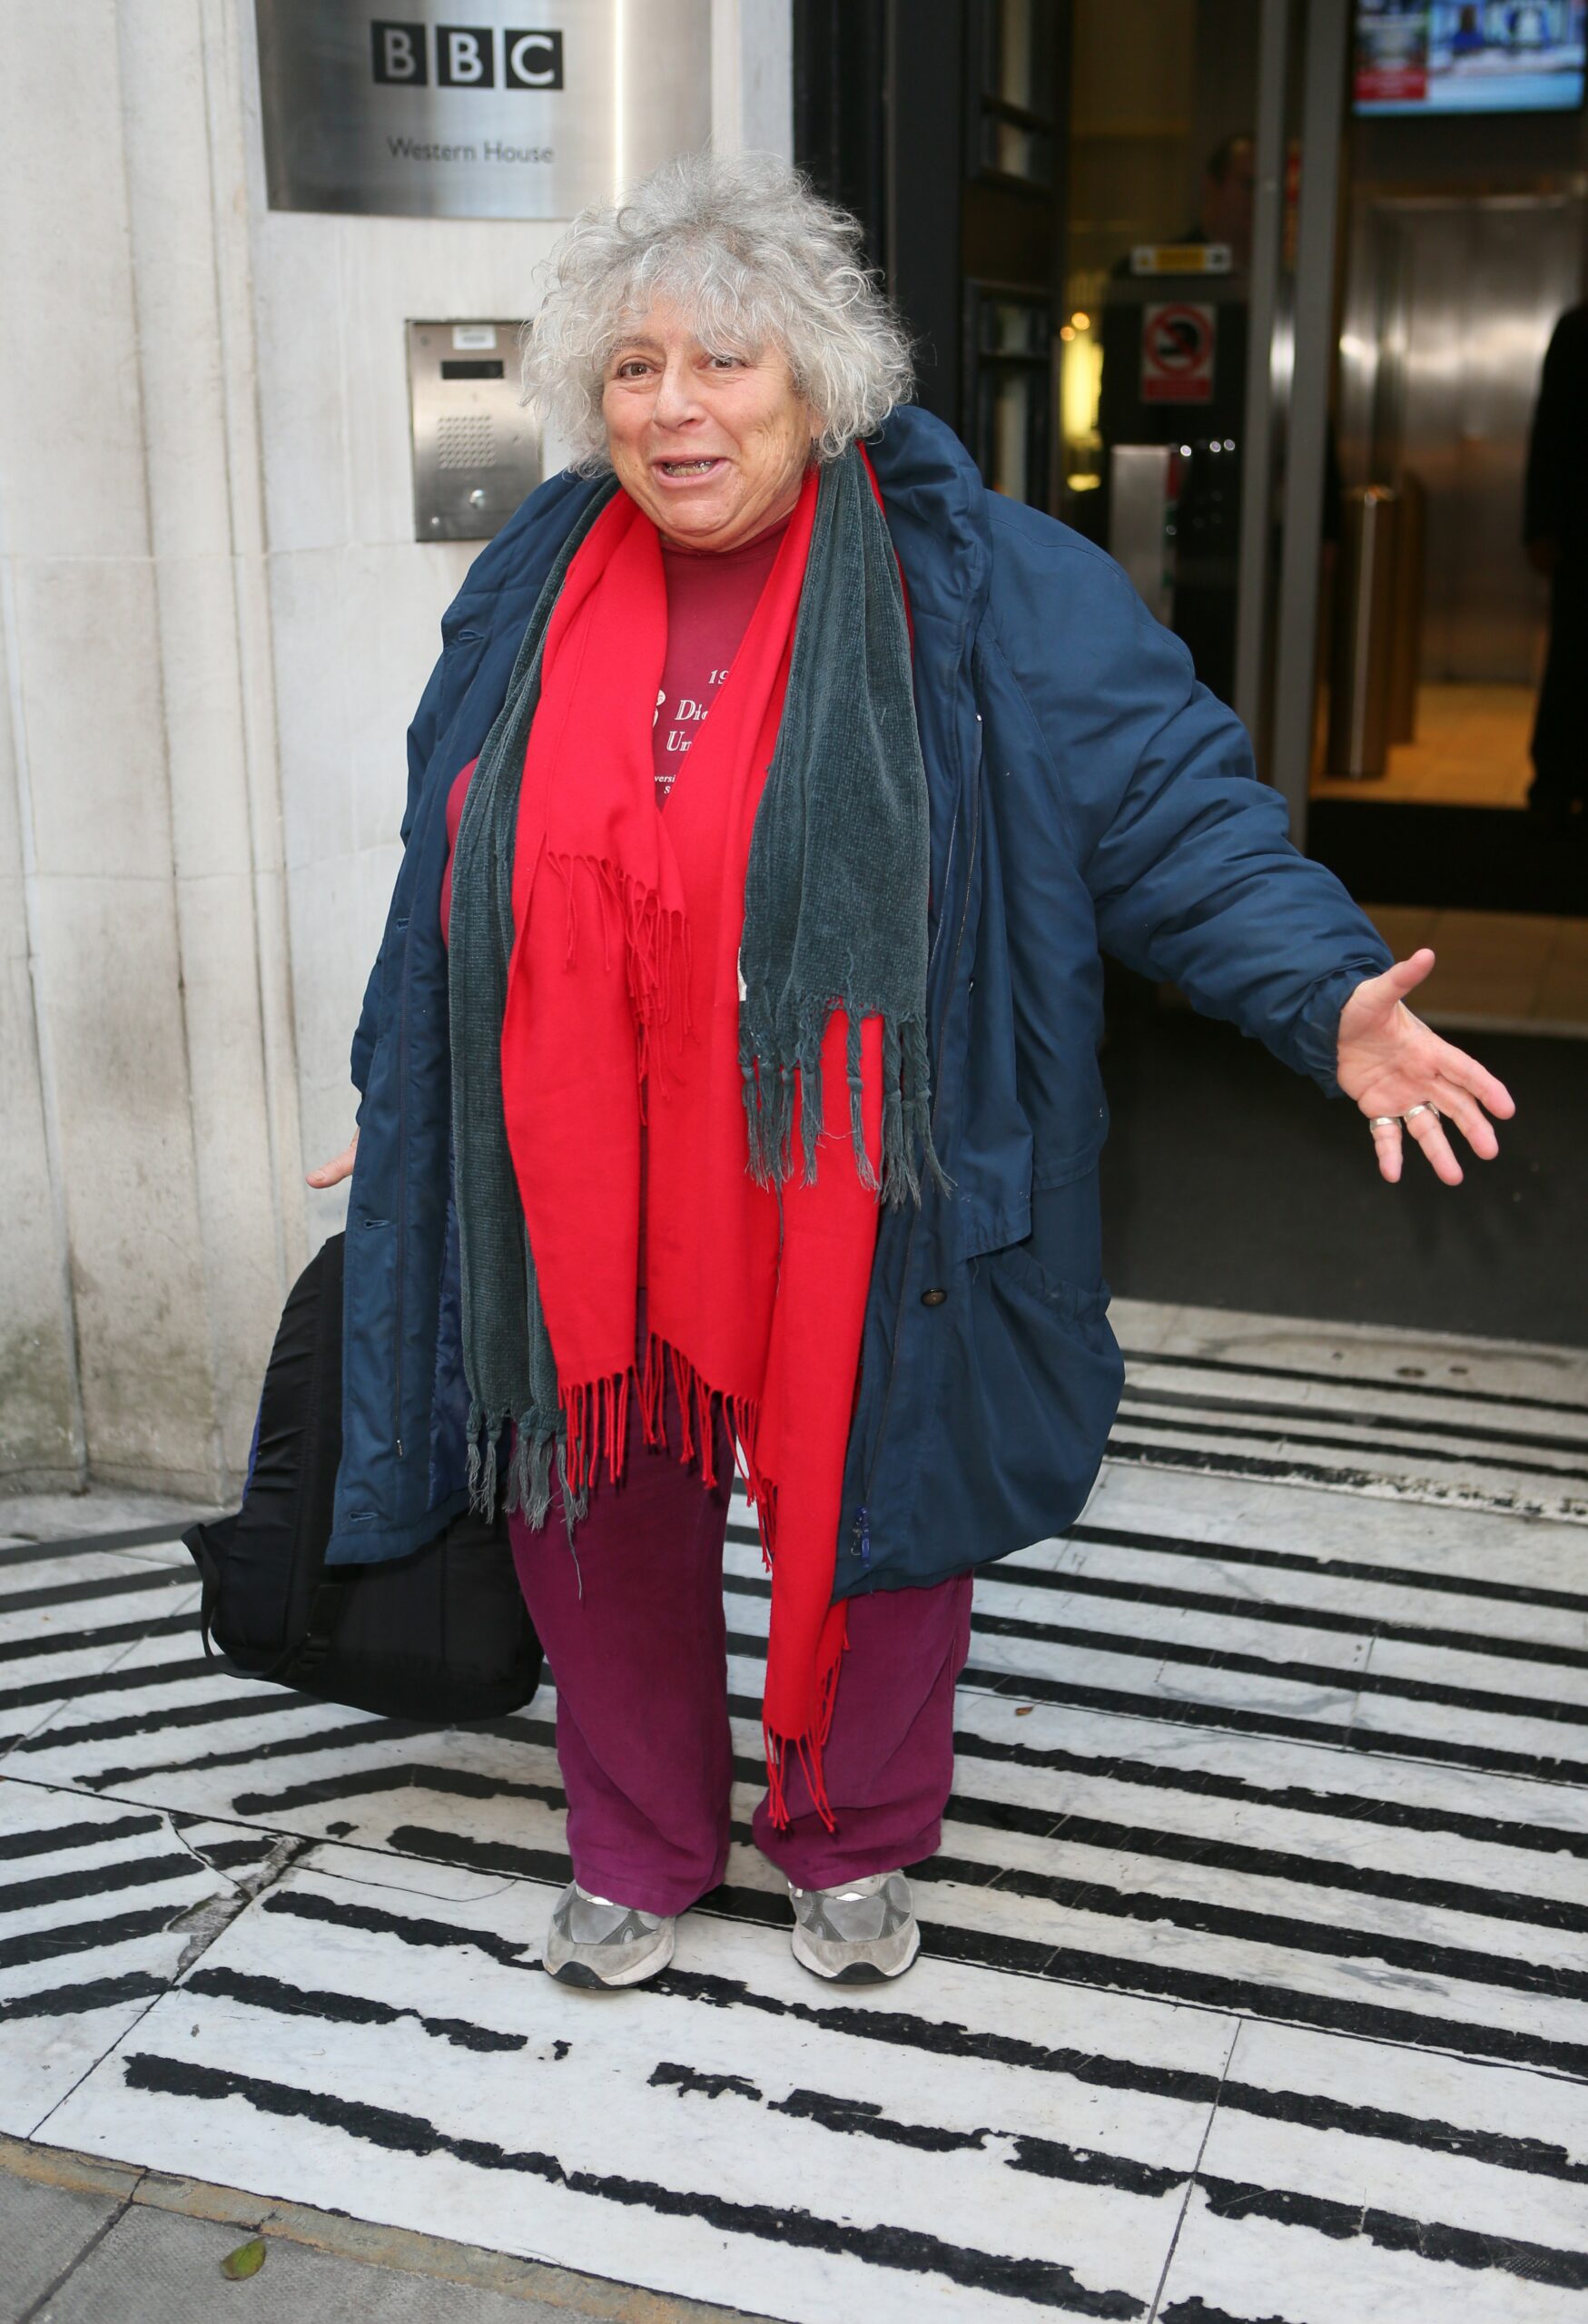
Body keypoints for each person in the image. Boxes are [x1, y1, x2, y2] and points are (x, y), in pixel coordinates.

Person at [307, 153, 1514, 1992]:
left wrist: (1323, 989)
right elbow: (443, 861)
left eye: (723, 361)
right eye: (633, 368)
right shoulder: (534, 580)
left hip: (848, 1164)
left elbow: (1166, 805)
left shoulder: (970, 580)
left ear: (816, 378)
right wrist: (408, 1094)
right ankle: (634, 1839)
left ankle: (847, 1835)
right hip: (576, 1162)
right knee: (587, 1503)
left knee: (870, 1504)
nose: (672, 406)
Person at [1523, 300, 1588, 822]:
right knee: (1572, 656)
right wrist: (1541, 527)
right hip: (1579, 531)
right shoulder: (1576, 330)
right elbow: (1550, 432)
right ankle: (1555, 781)